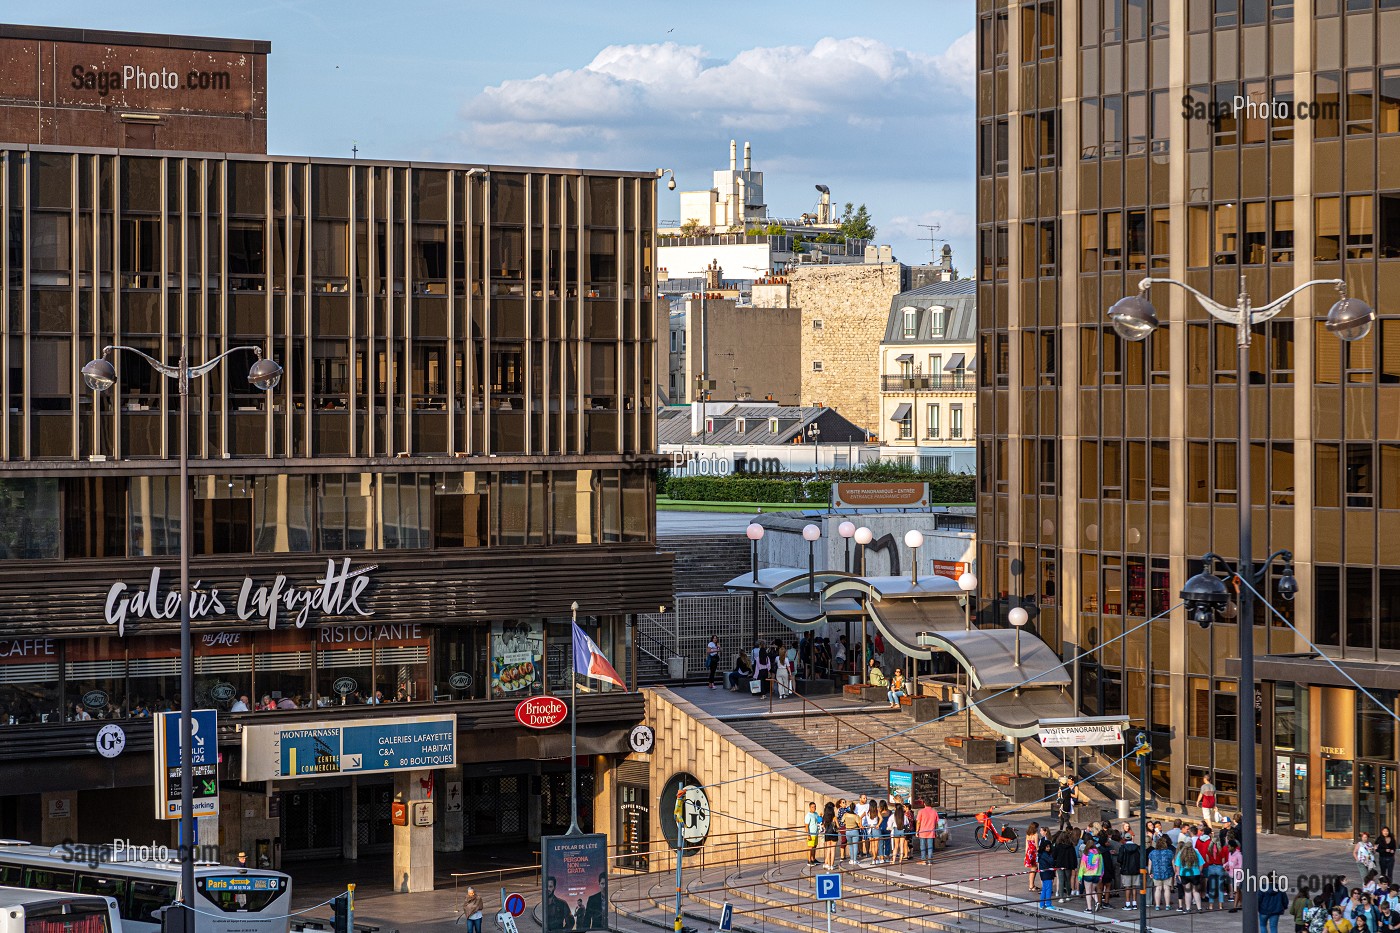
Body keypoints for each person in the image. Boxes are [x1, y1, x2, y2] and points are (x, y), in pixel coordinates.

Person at [1175, 838, 1205, 913]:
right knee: (1196, 891)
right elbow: (1201, 864)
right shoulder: (1196, 852)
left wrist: (1178, 874)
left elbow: (1177, 865)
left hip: (1184, 873)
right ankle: (1199, 908)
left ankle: (1188, 908)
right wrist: (1199, 871)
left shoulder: (1181, 853)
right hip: (1195, 873)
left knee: (1187, 891)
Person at [1118, 829, 1142, 911]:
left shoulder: (1123, 848)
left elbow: (1119, 859)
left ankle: (1128, 904)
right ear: (1131, 838)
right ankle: (1134, 903)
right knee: (1134, 887)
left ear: (1125, 839)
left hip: (1126, 870)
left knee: (1127, 887)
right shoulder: (1137, 847)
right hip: (1135, 869)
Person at [1149, 836, 1175, 911]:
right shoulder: (1169, 852)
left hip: (1156, 873)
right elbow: (1173, 863)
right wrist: (1175, 872)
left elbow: (1150, 864)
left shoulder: (1152, 853)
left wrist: (1150, 872)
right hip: (1167, 872)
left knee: (1158, 889)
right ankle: (1167, 905)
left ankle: (1157, 906)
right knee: (1167, 888)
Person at [1053, 830, 1078, 903]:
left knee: (1061, 880)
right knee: (1068, 880)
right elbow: (1074, 857)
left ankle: (1061, 897)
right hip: (1068, 865)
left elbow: (1054, 855)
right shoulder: (1071, 847)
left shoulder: (1058, 846)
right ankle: (1068, 895)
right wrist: (1074, 866)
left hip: (1059, 865)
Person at [1078, 843, 1105, 912]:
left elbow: (1082, 866)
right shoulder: (1099, 854)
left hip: (1088, 874)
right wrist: (1101, 875)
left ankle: (1089, 908)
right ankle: (1097, 902)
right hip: (1097, 875)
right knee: (1093, 890)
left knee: (1088, 892)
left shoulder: (1086, 854)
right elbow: (1102, 866)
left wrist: (1080, 877)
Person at [915, 798, 939, 863]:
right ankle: (930, 860)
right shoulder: (934, 811)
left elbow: (918, 822)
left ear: (924, 803)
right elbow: (936, 823)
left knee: (922, 846)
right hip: (931, 831)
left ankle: (923, 859)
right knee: (930, 846)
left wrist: (917, 830)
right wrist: (936, 831)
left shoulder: (921, 811)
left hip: (922, 831)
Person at [1038, 837, 1057, 910]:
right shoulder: (1046, 855)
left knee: (1044, 889)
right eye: (1047, 847)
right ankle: (1048, 904)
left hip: (1043, 874)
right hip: (1047, 874)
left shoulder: (1041, 854)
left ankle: (1042, 904)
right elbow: (1051, 862)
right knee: (1048, 889)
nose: (1048, 848)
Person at [822, 802, 840, 870]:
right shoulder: (834, 817)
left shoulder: (825, 817)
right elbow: (838, 826)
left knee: (828, 850)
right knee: (833, 850)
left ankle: (828, 865)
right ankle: (832, 865)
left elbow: (823, 826)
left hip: (827, 834)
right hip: (834, 834)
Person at [1025, 821, 1041, 892]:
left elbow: (1026, 846)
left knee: (1032, 869)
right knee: (1034, 869)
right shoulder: (1036, 835)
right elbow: (1037, 846)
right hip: (1034, 853)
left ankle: (1031, 885)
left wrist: (1026, 855)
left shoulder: (1028, 834)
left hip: (1029, 853)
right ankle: (1031, 885)